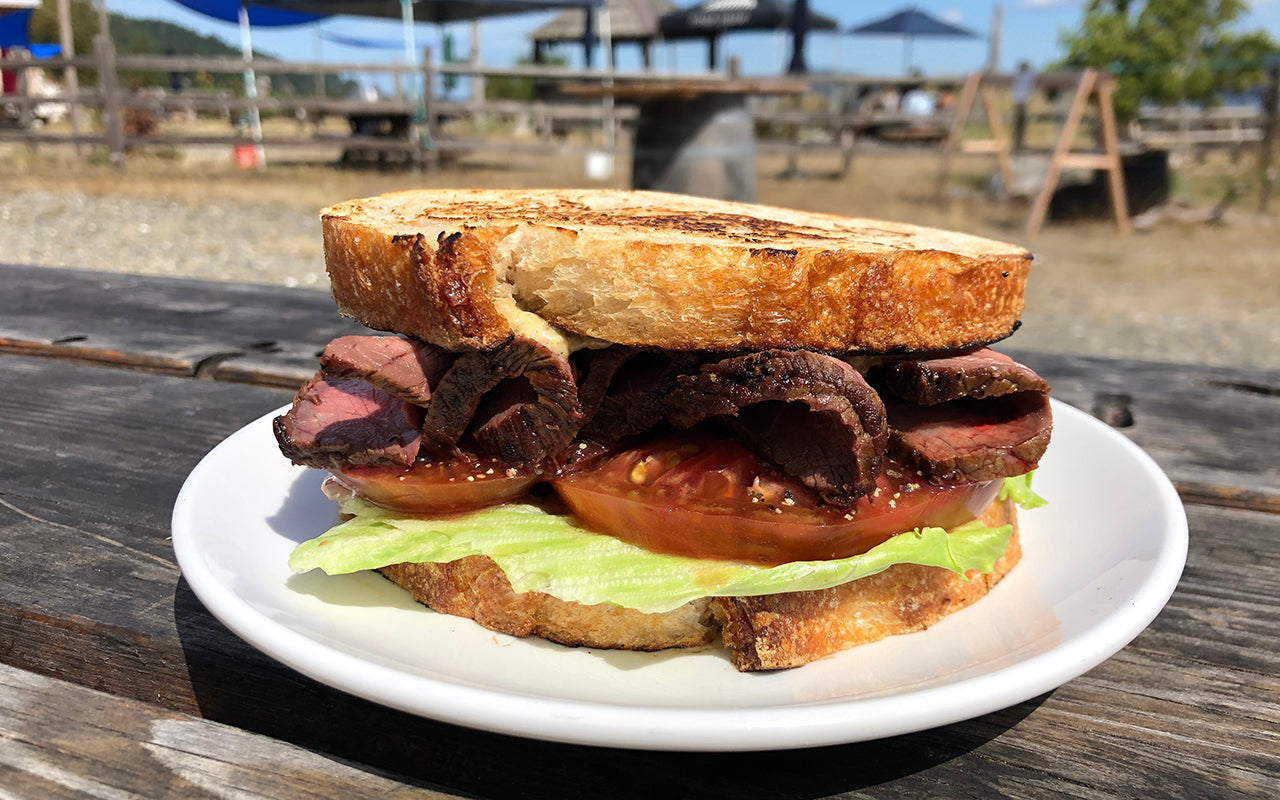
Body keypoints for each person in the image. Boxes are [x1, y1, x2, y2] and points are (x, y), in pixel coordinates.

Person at [1011, 61, 1037, 152]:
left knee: (1020, 122)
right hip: (1021, 100)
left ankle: (1019, 143)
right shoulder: (1027, 76)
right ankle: (1018, 143)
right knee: (1020, 122)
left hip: (1021, 100)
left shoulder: (1019, 76)